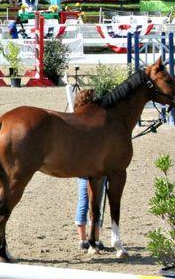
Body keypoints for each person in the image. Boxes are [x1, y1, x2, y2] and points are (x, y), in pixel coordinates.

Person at [73, 89, 105, 251]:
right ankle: (96, 238)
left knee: (83, 200)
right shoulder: (95, 122)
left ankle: (82, 238)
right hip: (95, 166)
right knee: (96, 202)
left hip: (80, 165)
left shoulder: (75, 121)